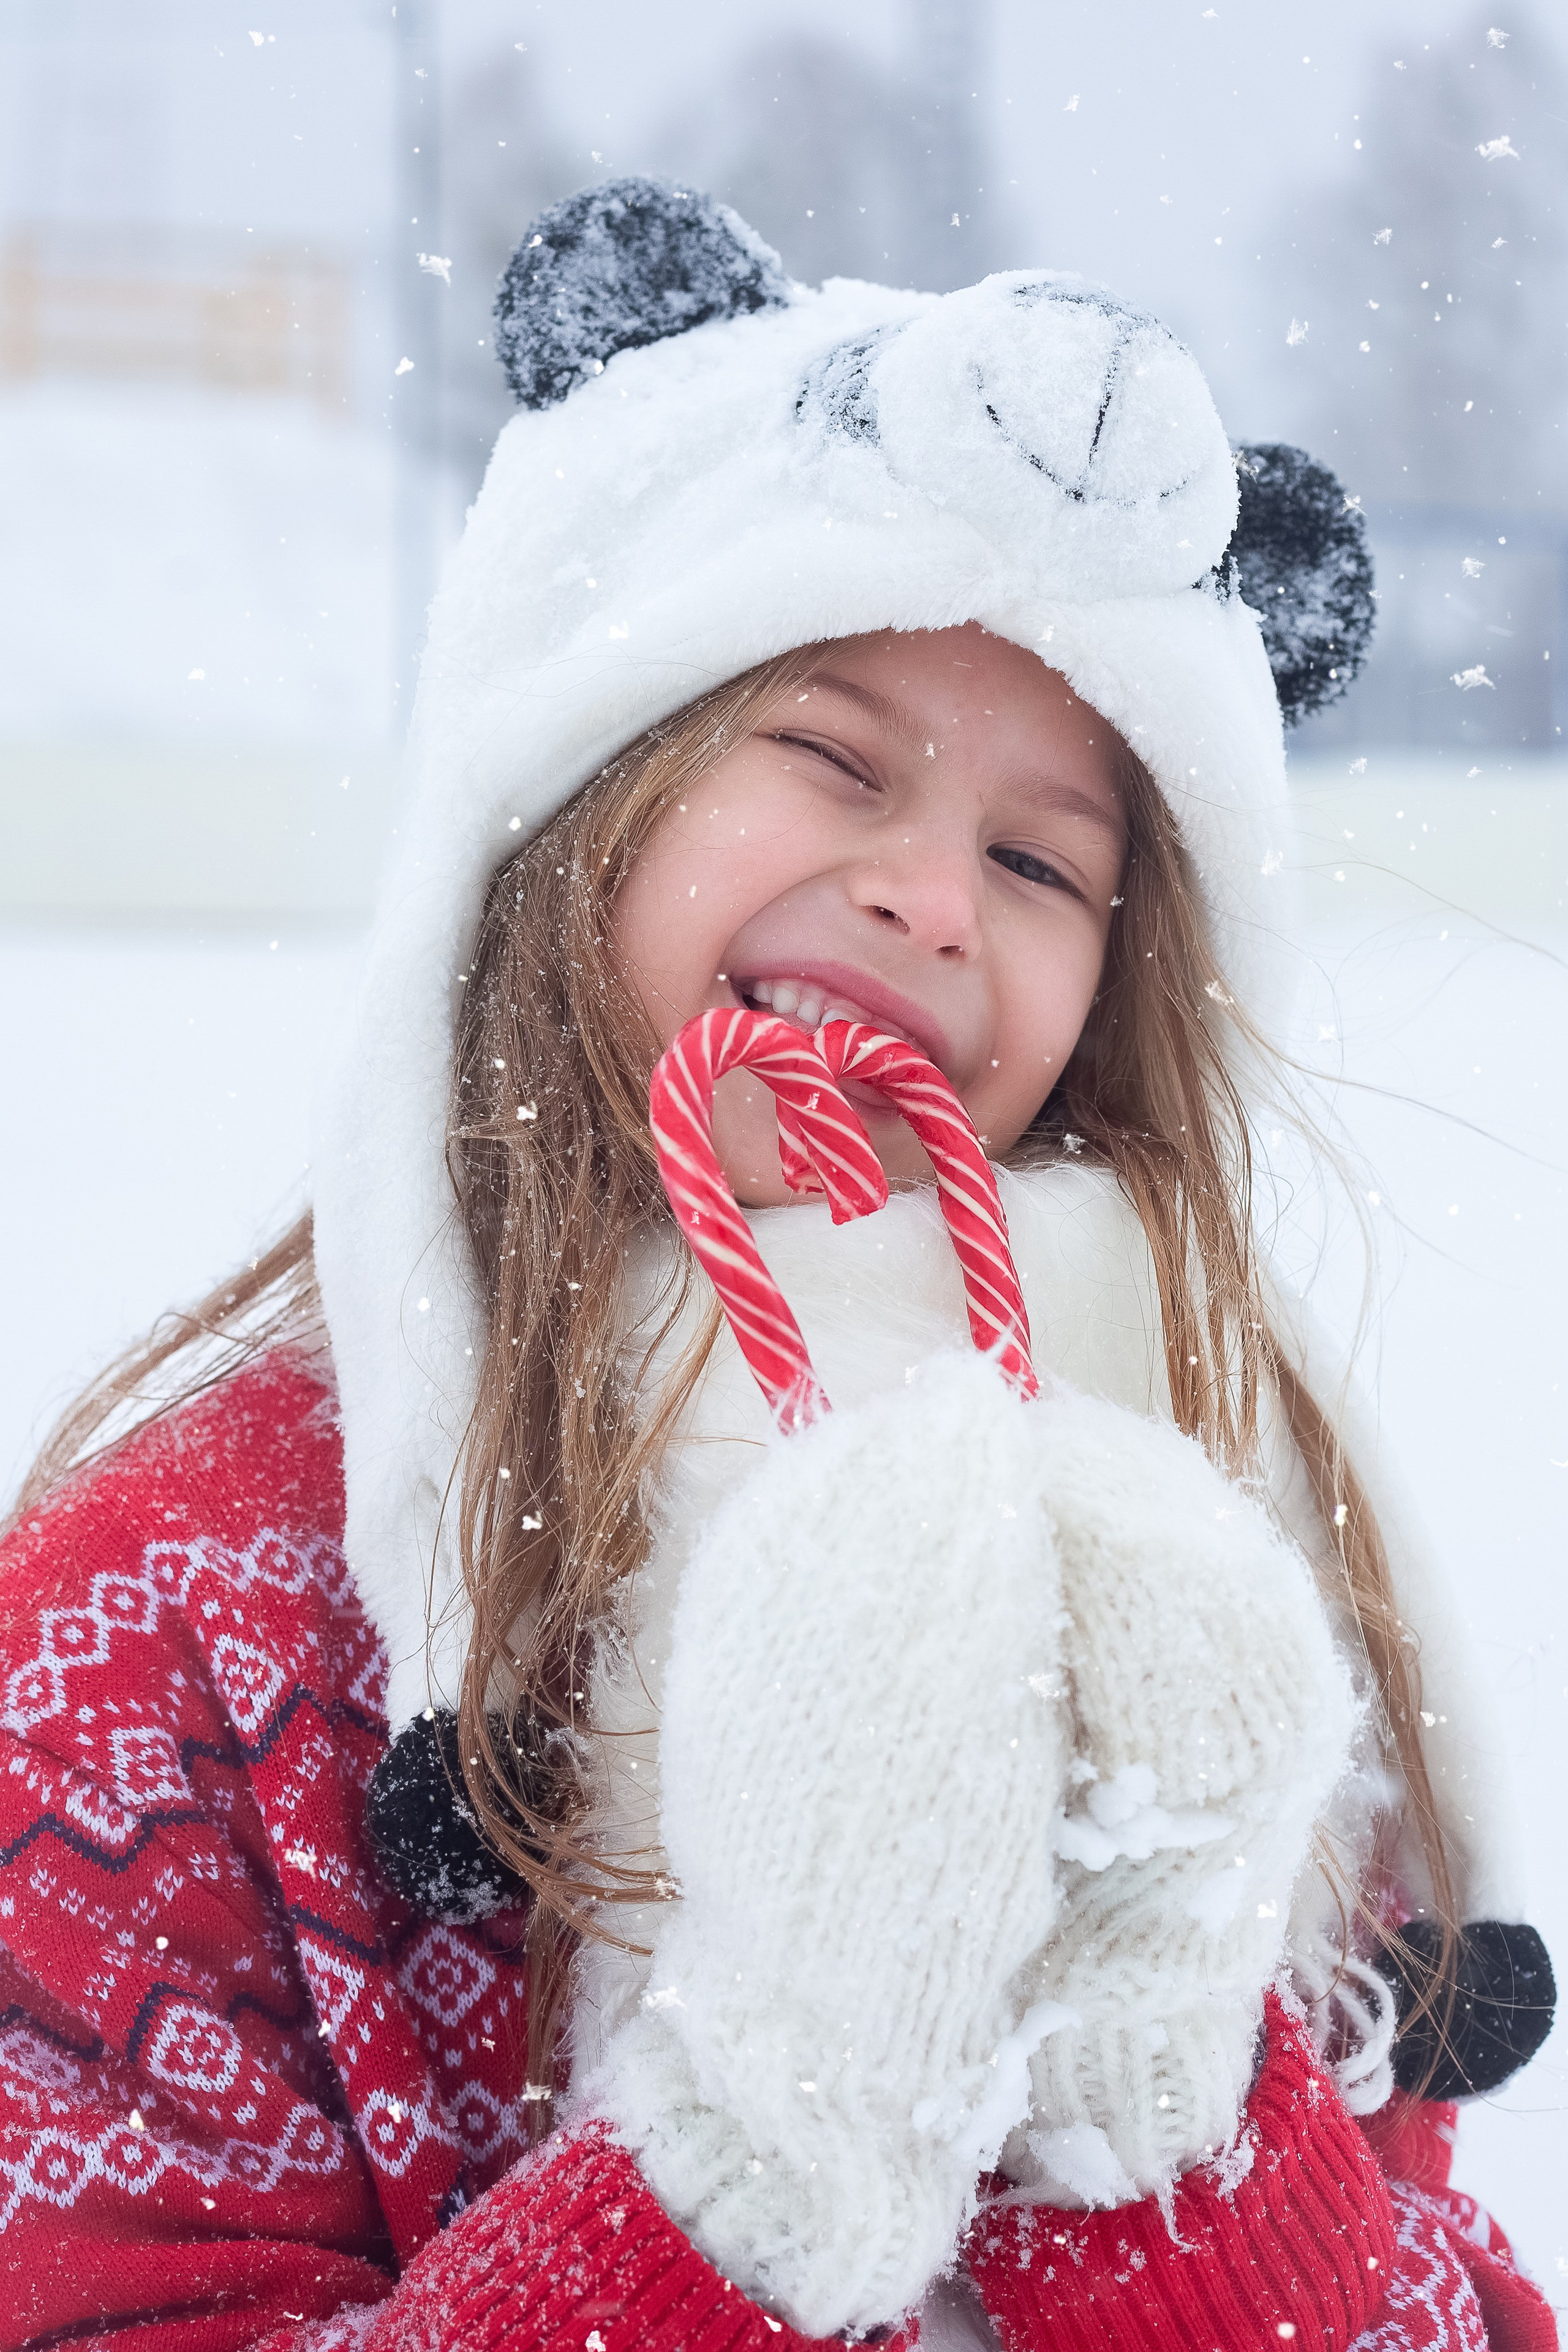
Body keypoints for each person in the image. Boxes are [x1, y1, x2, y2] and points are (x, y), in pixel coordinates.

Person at [0, 180, 1556, 2352]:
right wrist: (757, 2160)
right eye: (828, 755)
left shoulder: (1202, 1560)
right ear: (570, 799)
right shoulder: (177, 1606)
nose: (934, 897)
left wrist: (1166, 2119)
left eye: (1039, 860)